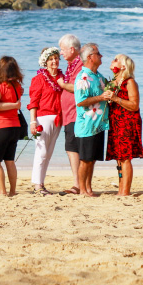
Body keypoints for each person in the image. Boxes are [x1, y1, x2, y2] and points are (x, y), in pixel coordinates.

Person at [73, 43, 113, 197]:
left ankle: (88, 188)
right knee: (85, 159)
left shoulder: (99, 76)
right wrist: (101, 97)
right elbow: (81, 101)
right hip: (87, 124)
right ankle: (82, 190)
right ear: (90, 57)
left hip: (99, 124)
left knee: (93, 159)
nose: (101, 56)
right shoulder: (83, 77)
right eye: (98, 53)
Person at [105, 54, 143, 197]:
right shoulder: (112, 82)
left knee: (125, 157)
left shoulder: (129, 82)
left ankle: (125, 191)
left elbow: (134, 105)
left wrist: (115, 98)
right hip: (115, 122)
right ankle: (120, 188)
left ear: (123, 66)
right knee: (118, 157)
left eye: (116, 59)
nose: (112, 60)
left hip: (127, 122)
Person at [28, 47, 63, 195]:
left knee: (48, 153)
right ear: (45, 62)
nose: (54, 61)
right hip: (43, 117)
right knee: (41, 151)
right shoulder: (39, 79)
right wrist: (33, 121)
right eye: (51, 59)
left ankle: (41, 183)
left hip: (58, 118)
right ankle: (37, 184)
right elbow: (33, 102)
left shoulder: (63, 77)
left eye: (56, 58)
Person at [0, 56, 24, 196]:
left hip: (1, 126)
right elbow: (15, 104)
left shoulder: (0, 87)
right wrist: (14, 105)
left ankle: (2, 191)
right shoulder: (17, 87)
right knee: (10, 161)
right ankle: (12, 191)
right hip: (15, 126)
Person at [57, 34, 84, 195]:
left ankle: (78, 183)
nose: (61, 53)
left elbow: (78, 87)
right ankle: (78, 182)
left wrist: (62, 84)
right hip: (69, 114)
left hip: (76, 113)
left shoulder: (80, 65)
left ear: (72, 49)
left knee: (74, 148)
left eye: (62, 49)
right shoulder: (71, 65)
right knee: (71, 148)